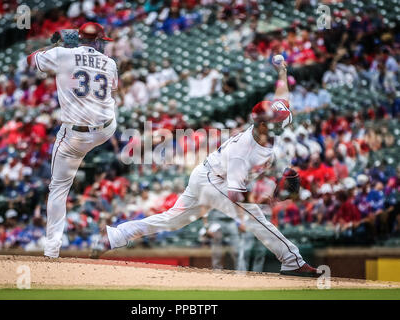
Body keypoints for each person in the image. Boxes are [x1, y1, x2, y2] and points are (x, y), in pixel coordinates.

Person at [92, 59, 319, 277]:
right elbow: (236, 196)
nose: (283, 124)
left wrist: (282, 73)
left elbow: (283, 100)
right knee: (255, 216)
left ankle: (116, 236)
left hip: (205, 174)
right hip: (214, 181)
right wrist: (268, 199)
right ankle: (293, 261)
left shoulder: (265, 129)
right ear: (262, 124)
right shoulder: (245, 150)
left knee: (172, 220)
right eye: (278, 122)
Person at [27, 22, 118, 258]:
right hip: (106, 130)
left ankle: (51, 251)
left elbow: (31, 59)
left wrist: (56, 45)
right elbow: (112, 88)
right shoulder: (110, 63)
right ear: (98, 42)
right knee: (108, 110)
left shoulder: (62, 54)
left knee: (58, 188)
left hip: (75, 135)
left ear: (78, 39)